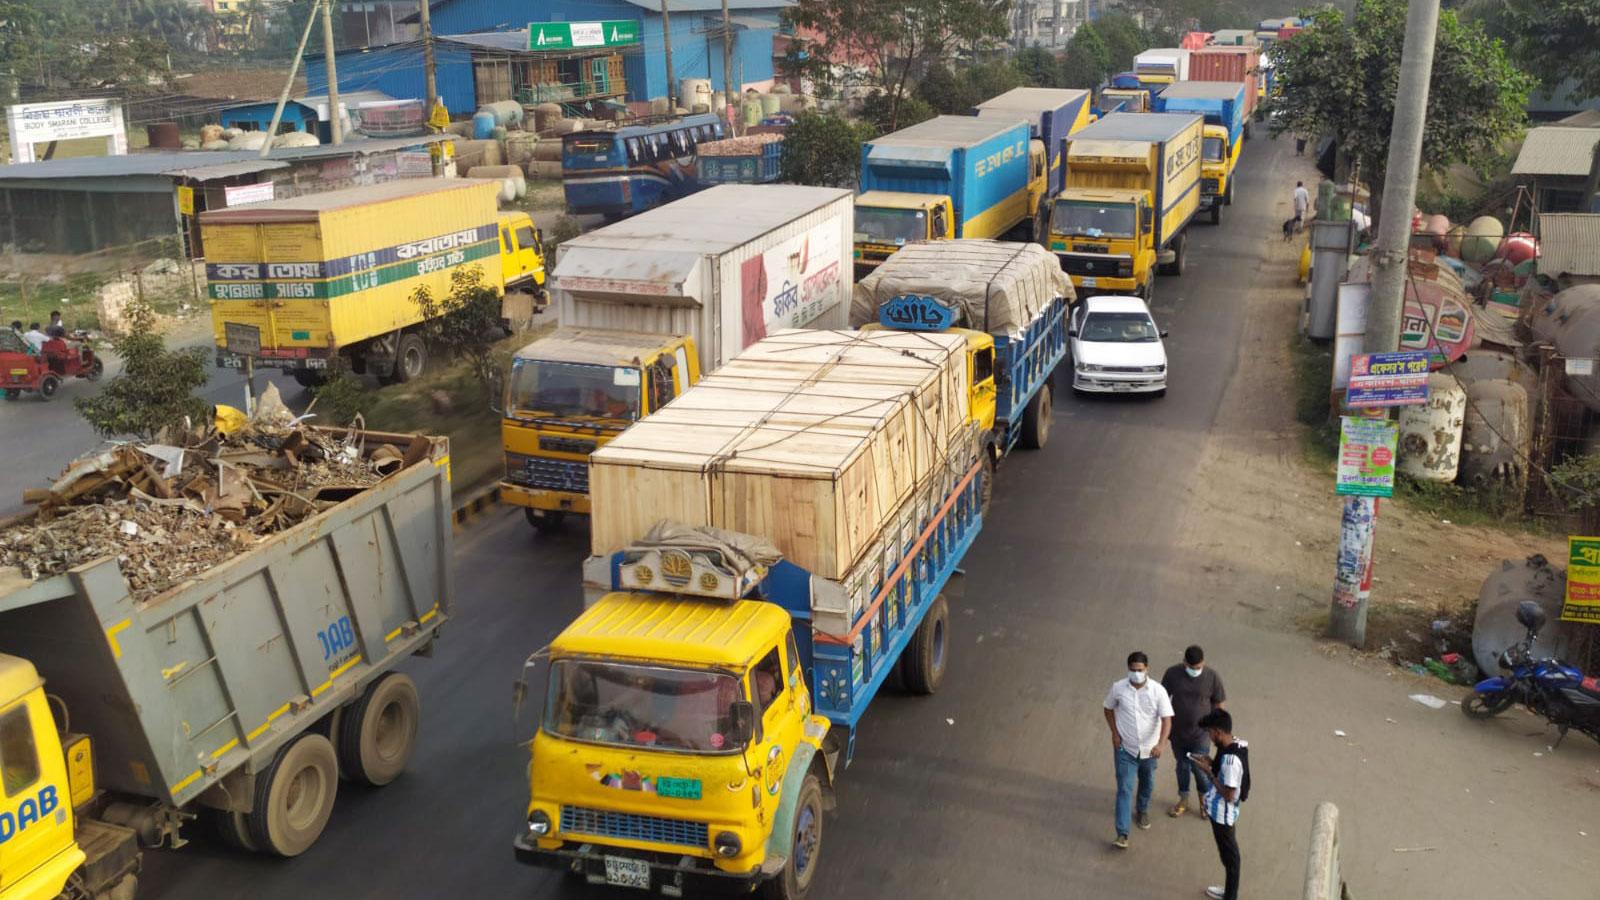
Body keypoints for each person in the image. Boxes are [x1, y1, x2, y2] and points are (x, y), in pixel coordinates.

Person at [1103, 651, 1174, 849]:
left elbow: (1167, 719)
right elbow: (1108, 708)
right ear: (1128, 669)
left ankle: (1142, 809)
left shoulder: (1158, 691)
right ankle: (1122, 833)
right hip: (1125, 749)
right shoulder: (1118, 688)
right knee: (1124, 789)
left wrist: (1161, 744)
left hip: (1150, 751)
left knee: (1147, 782)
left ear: (1147, 669)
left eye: (1140, 670)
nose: (1136, 674)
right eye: (1133, 670)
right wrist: (1114, 734)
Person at [1161, 645, 1226, 818]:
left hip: (1201, 735)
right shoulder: (1172, 674)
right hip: (1177, 733)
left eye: (1198, 667)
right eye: (1191, 667)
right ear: (1184, 663)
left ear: (1203, 662)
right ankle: (1183, 800)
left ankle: (1204, 802)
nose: (1195, 670)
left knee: (1200, 769)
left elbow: (1219, 704)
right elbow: (1162, 699)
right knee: (1182, 766)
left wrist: (1218, 730)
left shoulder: (1212, 677)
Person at [1190, 709, 1248, 900]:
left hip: (1223, 814)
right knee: (1229, 856)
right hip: (1222, 812)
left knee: (1231, 859)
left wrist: (1209, 772)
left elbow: (1229, 794)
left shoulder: (1231, 762)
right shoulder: (1234, 744)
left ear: (1218, 732)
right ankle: (1229, 892)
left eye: (1209, 732)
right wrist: (1212, 763)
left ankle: (1230, 896)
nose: (1209, 736)